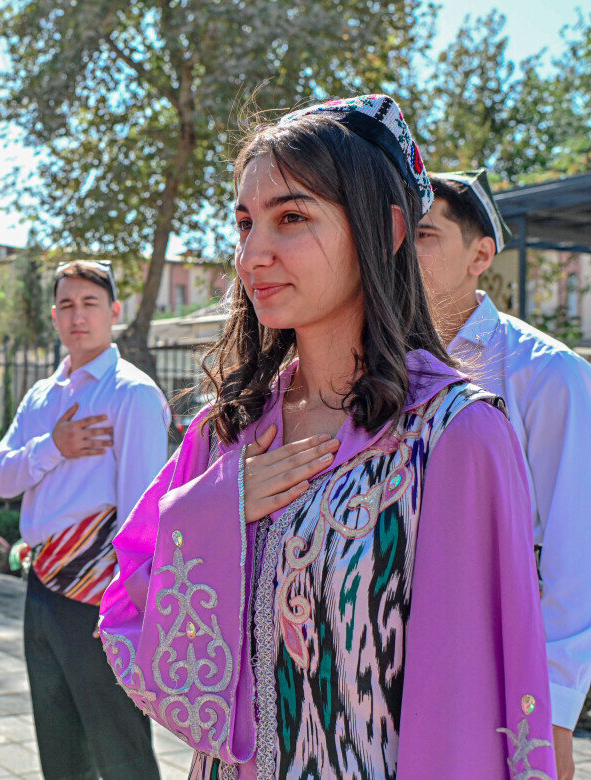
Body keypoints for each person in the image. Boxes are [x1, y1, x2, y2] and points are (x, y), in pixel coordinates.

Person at [97, 94, 556, 778]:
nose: (254, 254)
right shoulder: (228, 430)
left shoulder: (455, 436)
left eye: (292, 218)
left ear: (388, 228)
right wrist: (215, 512)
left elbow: (463, 710)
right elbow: (129, 601)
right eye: (245, 223)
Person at [417, 168, 591, 780]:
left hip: (494, 667)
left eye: (424, 234)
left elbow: (573, 559)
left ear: (481, 255)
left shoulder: (548, 374)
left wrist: (556, 714)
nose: (401, 253)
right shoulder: (376, 367)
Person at [0, 259, 167, 779]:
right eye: (66, 305)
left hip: (99, 596)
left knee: (121, 750)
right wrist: (54, 447)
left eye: (90, 303)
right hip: (41, 585)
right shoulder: (41, 397)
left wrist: (125, 610)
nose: (77, 316)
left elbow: (142, 513)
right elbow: (2, 477)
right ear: (54, 315)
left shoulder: (131, 394)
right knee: (59, 749)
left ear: (114, 311)